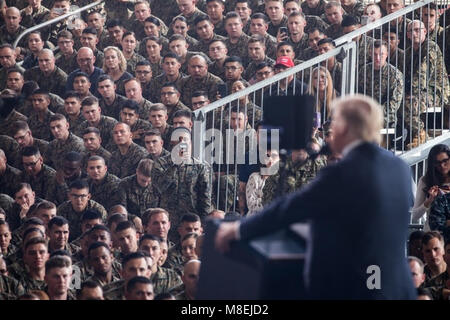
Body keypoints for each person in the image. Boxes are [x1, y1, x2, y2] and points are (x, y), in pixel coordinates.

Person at [215, 94, 417, 299]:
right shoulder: (398, 166)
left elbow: (291, 208)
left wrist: (239, 229)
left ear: (345, 128)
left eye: (335, 123)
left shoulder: (344, 171)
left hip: (358, 289)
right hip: (395, 287)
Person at [411, 144, 450, 228]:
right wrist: (429, 201)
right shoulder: (425, 181)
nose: (442, 166)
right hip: (433, 237)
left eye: (445, 161)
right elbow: (415, 216)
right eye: (437, 163)